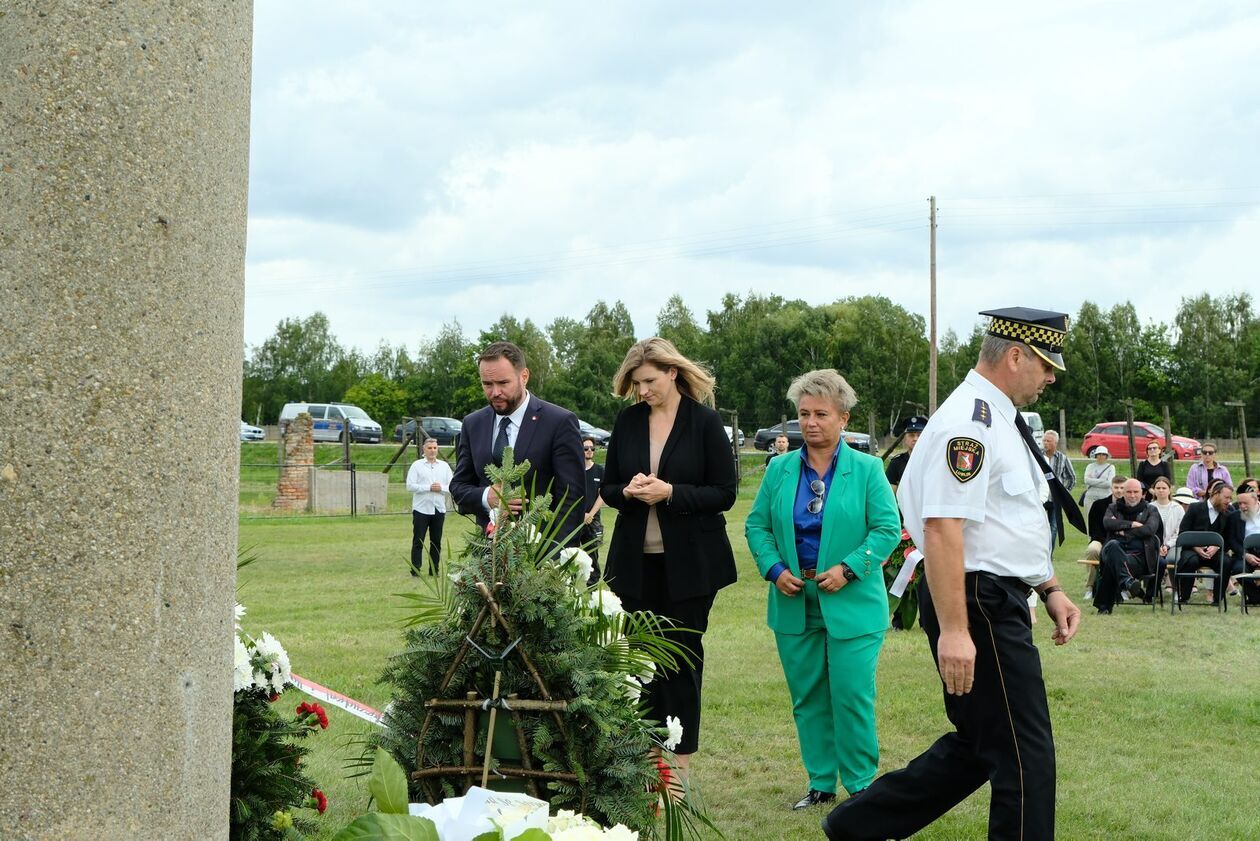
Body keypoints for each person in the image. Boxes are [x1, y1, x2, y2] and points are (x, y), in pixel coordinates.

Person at [823, 307, 1083, 841]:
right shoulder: (970, 421)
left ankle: (857, 825)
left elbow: (1006, 524)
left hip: (993, 597)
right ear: (1016, 356)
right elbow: (943, 529)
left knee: (981, 743)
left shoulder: (996, 416)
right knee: (1025, 759)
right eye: (1046, 364)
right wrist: (958, 631)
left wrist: (1050, 587)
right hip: (978, 604)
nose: (1051, 377)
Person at [745, 370, 900, 811]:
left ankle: (862, 785)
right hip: (794, 601)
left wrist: (850, 568)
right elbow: (756, 525)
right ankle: (819, 782)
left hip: (851, 602)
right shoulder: (778, 469)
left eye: (821, 414)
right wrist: (774, 569)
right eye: (803, 414)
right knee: (808, 696)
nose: (810, 423)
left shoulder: (868, 469)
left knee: (851, 696)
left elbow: (888, 529)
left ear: (843, 418)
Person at [599, 337, 738, 783]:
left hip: (692, 568)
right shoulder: (627, 421)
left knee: (679, 664)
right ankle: (641, 765)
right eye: (637, 383)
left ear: (673, 373)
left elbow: (725, 492)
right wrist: (629, 490)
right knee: (636, 663)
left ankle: (677, 774)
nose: (643, 391)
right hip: (634, 565)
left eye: (650, 381)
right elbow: (607, 488)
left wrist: (671, 492)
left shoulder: (705, 422)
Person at [450, 341, 585, 543]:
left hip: (541, 557)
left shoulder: (559, 422)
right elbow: (459, 487)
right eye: (487, 384)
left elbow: (572, 498)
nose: (495, 392)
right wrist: (487, 496)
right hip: (487, 557)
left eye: (503, 383)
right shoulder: (472, 424)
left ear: (524, 377)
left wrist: (555, 559)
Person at [1093, 478, 1162, 613]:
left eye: (1135, 492)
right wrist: (1131, 524)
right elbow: (1107, 523)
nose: (1132, 495)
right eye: (1129, 492)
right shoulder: (1112, 508)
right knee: (1113, 546)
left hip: (1137, 558)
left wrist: (1122, 531)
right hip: (1113, 550)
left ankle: (1104, 607)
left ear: (1142, 493)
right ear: (1123, 492)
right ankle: (1128, 581)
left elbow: (1149, 530)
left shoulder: (1151, 510)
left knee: (1112, 563)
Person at [1174, 480, 1240, 605]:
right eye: (1226, 497)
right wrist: (1196, 547)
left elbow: (1229, 539)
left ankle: (1217, 599)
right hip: (1192, 550)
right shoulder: (1195, 508)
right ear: (1215, 494)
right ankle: (1184, 597)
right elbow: (1183, 532)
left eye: (1230, 498)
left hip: (1215, 552)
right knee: (1190, 561)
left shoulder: (1227, 514)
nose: (1229, 501)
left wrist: (1216, 546)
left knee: (1226, 562)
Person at [405, 438, 454, 575]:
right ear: (424, 450)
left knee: (436, 542)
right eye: (429, 448)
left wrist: (441, 488)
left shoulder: (444, 466)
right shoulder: (417, 465)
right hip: (421, 509)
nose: (432, 450)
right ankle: (415, 570)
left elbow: (452, 486)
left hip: (438, 509)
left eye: (434, 448)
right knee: (418, 541)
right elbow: (410, 486)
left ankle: (434, 570)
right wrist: (428, 487)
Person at [1083, 475, 1127, 600]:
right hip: (1101, 539)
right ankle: (1090, 587)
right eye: (1116, 487)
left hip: (1122, 541)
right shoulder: (1098, 505)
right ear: (1111, 487)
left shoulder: (1129, 506)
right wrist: (1105, 542)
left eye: (1122, 488)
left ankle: (1123, 587)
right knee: (1092, 550)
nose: (1119, 490)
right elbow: (1093, 529)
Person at [1148, 476, 1184, 593]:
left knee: (1173, 559)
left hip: (1173, 544)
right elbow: (1147, 530)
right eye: (1158, 488)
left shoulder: (1177, 508)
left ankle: (1176, 588)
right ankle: (1152, 589)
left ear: (1169, 490)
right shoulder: (1149, 507)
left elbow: (1179, 532)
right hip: (1153, 545)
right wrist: (1157, 546)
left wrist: (1167, 545)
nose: (1161, 490)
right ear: (1154, 490)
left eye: (1164, 488)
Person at [1041, 429, 1076, 549]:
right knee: (1037, 525)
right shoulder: (1037, 456)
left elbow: (1071, 478)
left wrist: (1063, 494)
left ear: (1055, 443)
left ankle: (1049, 554)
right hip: (1040, 498)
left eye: (1048, 441)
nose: (1045, 443)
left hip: (1056, 499)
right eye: (1044, 440)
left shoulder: (1063, 458)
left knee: (1054, 527)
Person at [580, 436, 605, 583]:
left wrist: (590, 514)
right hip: (575, 520)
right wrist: (581, 514)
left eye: (592, 449)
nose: (589, 451)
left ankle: (593, 593)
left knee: (593, 558)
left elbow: (602, 495)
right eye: (586, 448)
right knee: (571, 555)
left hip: (592, 521)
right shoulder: (574, 470)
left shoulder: (599, 470)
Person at [885, 415, 927, 493]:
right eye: (911, 435)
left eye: (919, 435)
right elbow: (890, 495)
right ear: (905, 438)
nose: (915, 439)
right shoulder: (896, 463)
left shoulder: (932, 461)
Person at [1081, 445, 1116, 511]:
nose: (1101, 456)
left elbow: (1109, 483)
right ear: (1096, 455)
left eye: (1103, 454)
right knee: (1090, 518)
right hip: (1090, 497)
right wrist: (1102, 481)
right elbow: (1086, 480)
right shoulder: (1090, 466)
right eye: (1099, 454)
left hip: (1105, 496)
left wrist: (1093, 480)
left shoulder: (1111, 467)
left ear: (1106, 456)